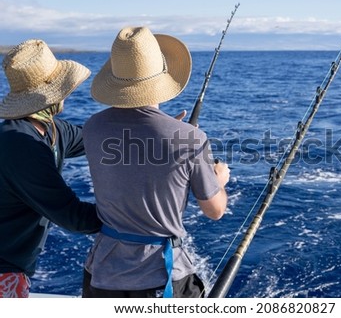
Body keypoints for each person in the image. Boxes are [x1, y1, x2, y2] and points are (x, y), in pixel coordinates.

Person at [81, 26, 230, 298]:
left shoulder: (92, 128)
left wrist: (162, 135)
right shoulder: (190, 139)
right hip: (160, 281)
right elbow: (215, 210)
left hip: (102, 275)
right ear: (162, 76)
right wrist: (218, 180)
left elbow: (130, 158)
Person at [0, 39, 102, 297]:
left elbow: (101, 142)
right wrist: (130, 218)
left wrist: (160, 134)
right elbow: (71, 215)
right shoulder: (20, 144)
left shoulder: (52, 128)